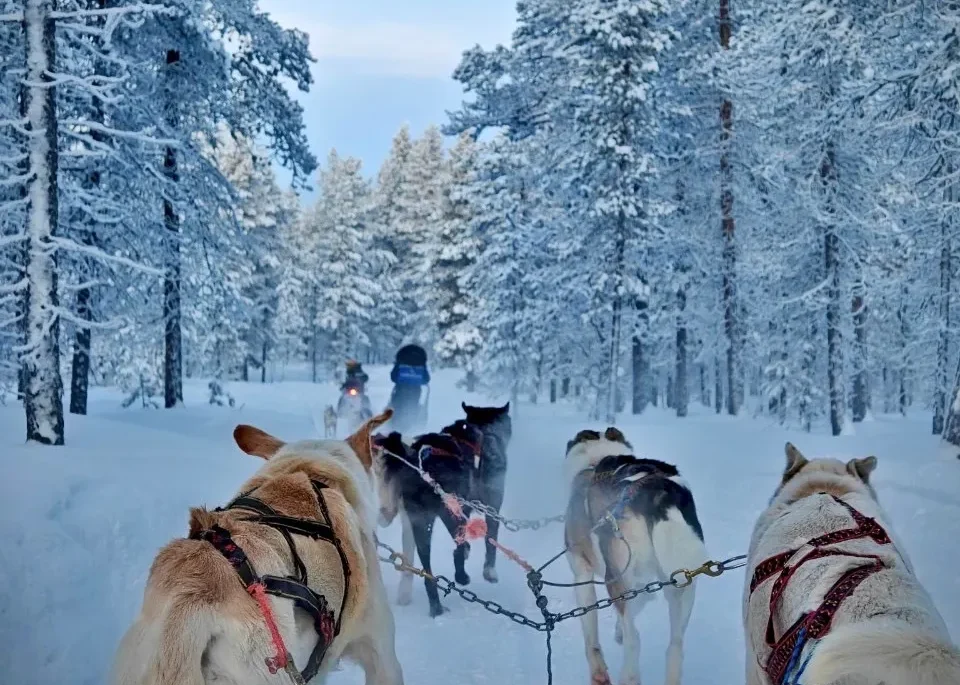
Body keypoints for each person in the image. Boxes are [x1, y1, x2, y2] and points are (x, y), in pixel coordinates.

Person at [388, 345, 430, 434]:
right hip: (415, 391)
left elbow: (393, 377)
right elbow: (426, 379)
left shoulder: (400, 361)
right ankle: (411, 427)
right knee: (413, 406)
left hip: (400, 390)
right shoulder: (421, 363)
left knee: (396, 407)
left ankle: (394, 427)